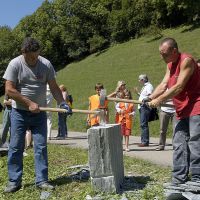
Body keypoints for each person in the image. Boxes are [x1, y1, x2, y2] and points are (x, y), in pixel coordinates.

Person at [3, 37, 72, 193]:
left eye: (36, 55)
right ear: (23, 52)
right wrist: (29, 103)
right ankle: (14, 181)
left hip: (39, 113)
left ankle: (42, 180)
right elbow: (9, 90)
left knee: (40, 147)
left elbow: (54, 88)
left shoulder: (45, 64)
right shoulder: (15, 64)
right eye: (30, 57)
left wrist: (62, 103)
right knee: (15, 147)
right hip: (19, 112)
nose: (34, 59)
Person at [147, 37, 200, 186]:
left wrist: (159, 100)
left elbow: (178, 87)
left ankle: (197, 177)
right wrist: (149, 98)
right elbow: (164, 84)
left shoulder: (187, 61)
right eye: (160, 53)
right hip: (181, 107)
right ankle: (178, 178)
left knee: (195, 141)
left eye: (164, 54)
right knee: (178, 142)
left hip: (196, 104)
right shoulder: (170, 64)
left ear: (174, 51)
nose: (161, 57)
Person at [134, 74, 153, 147]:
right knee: (143, 124)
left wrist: (144, 100)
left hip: (145, 107)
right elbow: (144, 96)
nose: (139, 81)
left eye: (139, 80)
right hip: (142, 107)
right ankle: (143, 141)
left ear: (142, 80)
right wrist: (138, 93)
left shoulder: (149, 86)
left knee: (143, 124)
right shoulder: (145, 87)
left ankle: (145, 141)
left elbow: (150, 96)